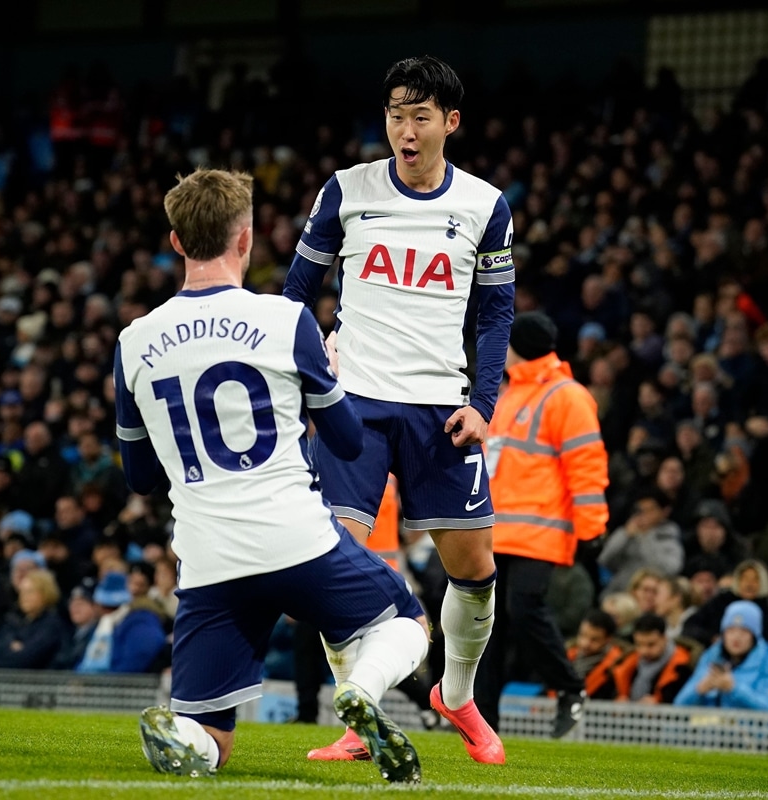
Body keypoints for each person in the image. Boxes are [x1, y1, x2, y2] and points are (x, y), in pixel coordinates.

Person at [115, 168, 429, 782]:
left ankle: (186, 737)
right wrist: (330, 381)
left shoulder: (134, 342)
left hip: (208, 558)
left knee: (214, 739)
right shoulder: (286, 322)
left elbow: (140, 478)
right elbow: (344, 440)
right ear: (246, 239)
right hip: (297, 540)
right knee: (406, 624)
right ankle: (361, 689)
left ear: (176, 242)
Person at [284, 54, 513, 766]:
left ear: (450, 122)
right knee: (335, 559)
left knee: (474, 569)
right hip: (352, 403)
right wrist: (297, 367)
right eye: (394, 115)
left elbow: (496, 314)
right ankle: (360, 712)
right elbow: (297, 290)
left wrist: (483, 403)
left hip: (439, 409)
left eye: (419, 116)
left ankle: (456, 694)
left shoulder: (485, 204)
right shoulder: (346, 191)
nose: (404, 130)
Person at [473, 311, 609, 738]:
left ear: (517, 348)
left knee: (524, 609)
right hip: (496, 530)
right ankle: (482, 723)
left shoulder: (567, 396)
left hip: (540, 531)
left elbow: (586, 466)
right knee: (487, 628)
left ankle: (569, 687)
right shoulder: (510, 393)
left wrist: (592, 528)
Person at [674, 600, 768, 711]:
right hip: (708, 726)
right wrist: (699, 690)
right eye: (731, 630)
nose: (736, 637)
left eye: (744, 631)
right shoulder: (711, 656)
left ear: (754, 636)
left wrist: (734, 688)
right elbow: (678, 704)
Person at [608, 613, 695, 704]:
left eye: (651, 644)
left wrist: (659, 705)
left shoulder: (683, 666)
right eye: (639, 644)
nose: (644, 651)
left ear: (664, 638)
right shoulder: (625, 662)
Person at [566, 609, 629, 700]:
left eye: (594, 639)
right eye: (582, 635)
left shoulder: (618, 665)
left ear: (608, 639)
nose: (586, 643)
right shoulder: (567, 657)